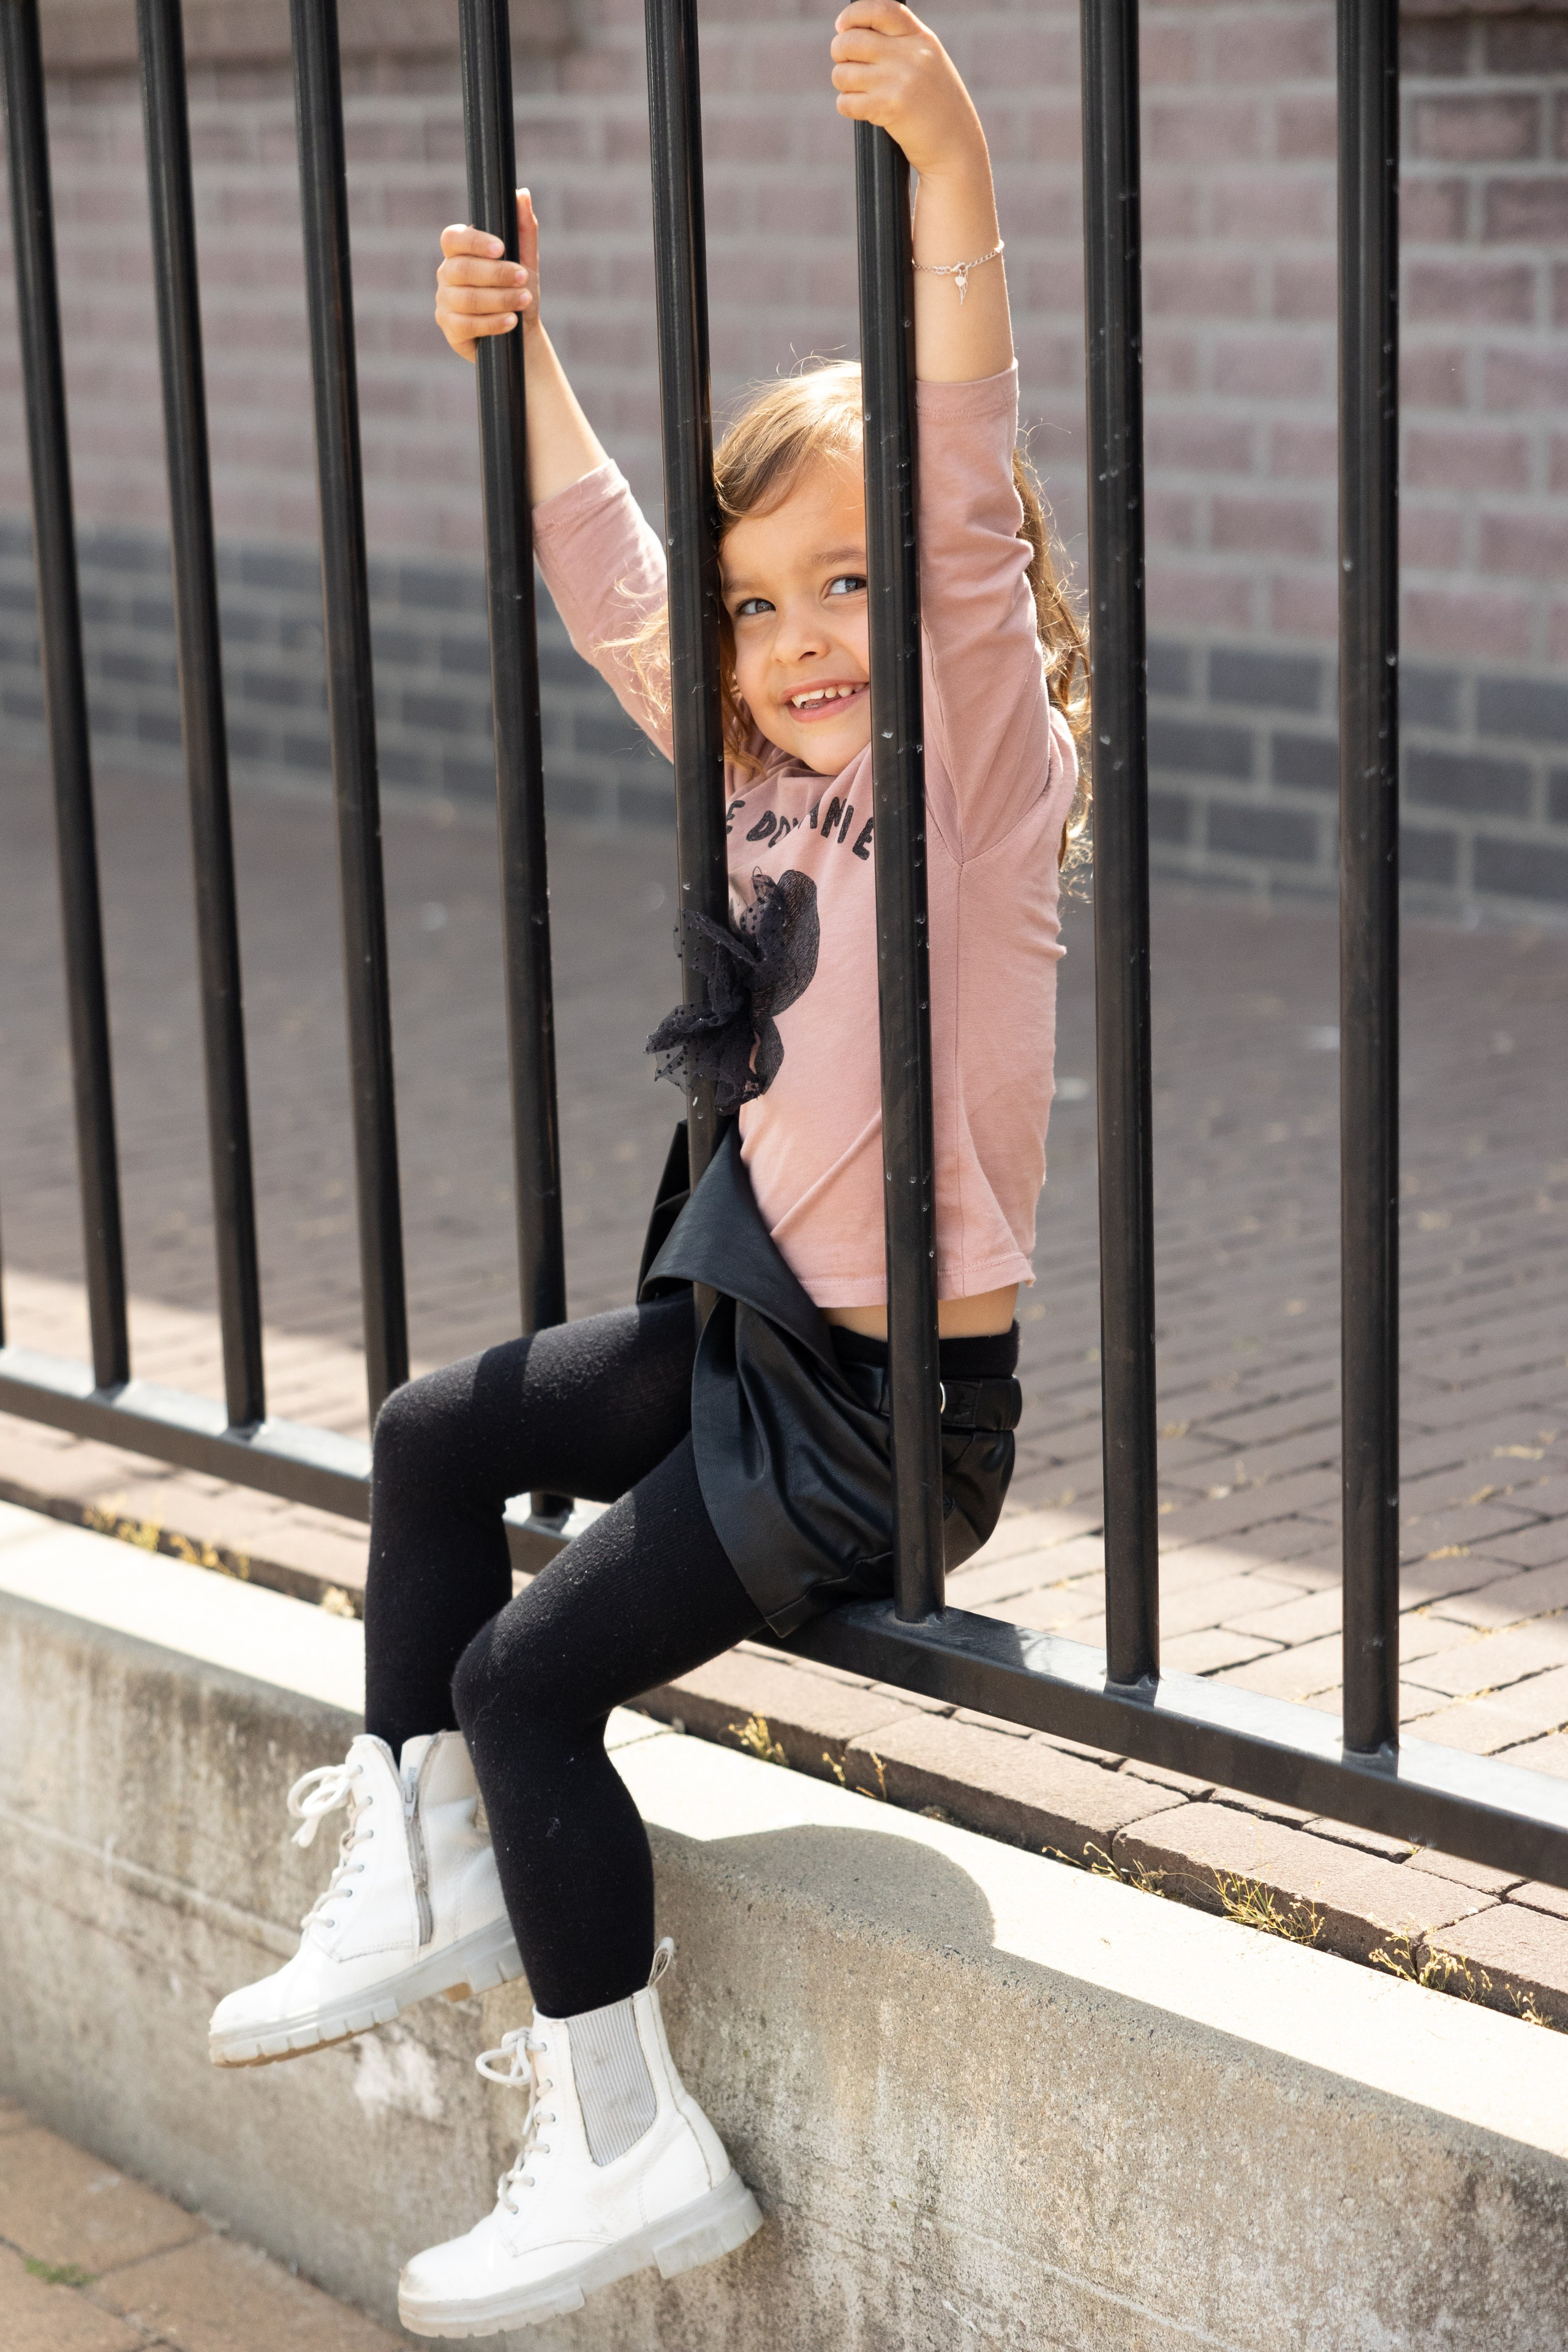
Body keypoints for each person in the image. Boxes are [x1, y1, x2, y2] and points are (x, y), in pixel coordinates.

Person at [208, 2, 1087, 2335]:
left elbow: (973, 460)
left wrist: (955, 174)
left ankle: (627, 2144)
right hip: (738, 1341)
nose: (804, 640)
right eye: (766, 600)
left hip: (879, 1422)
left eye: (852, 585)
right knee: (426, 1438)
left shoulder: (977, 776)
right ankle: (408, 1880)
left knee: (526, 1680)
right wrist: (527, 351)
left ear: (943, 598)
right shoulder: (754, 765)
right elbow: (611, 564)